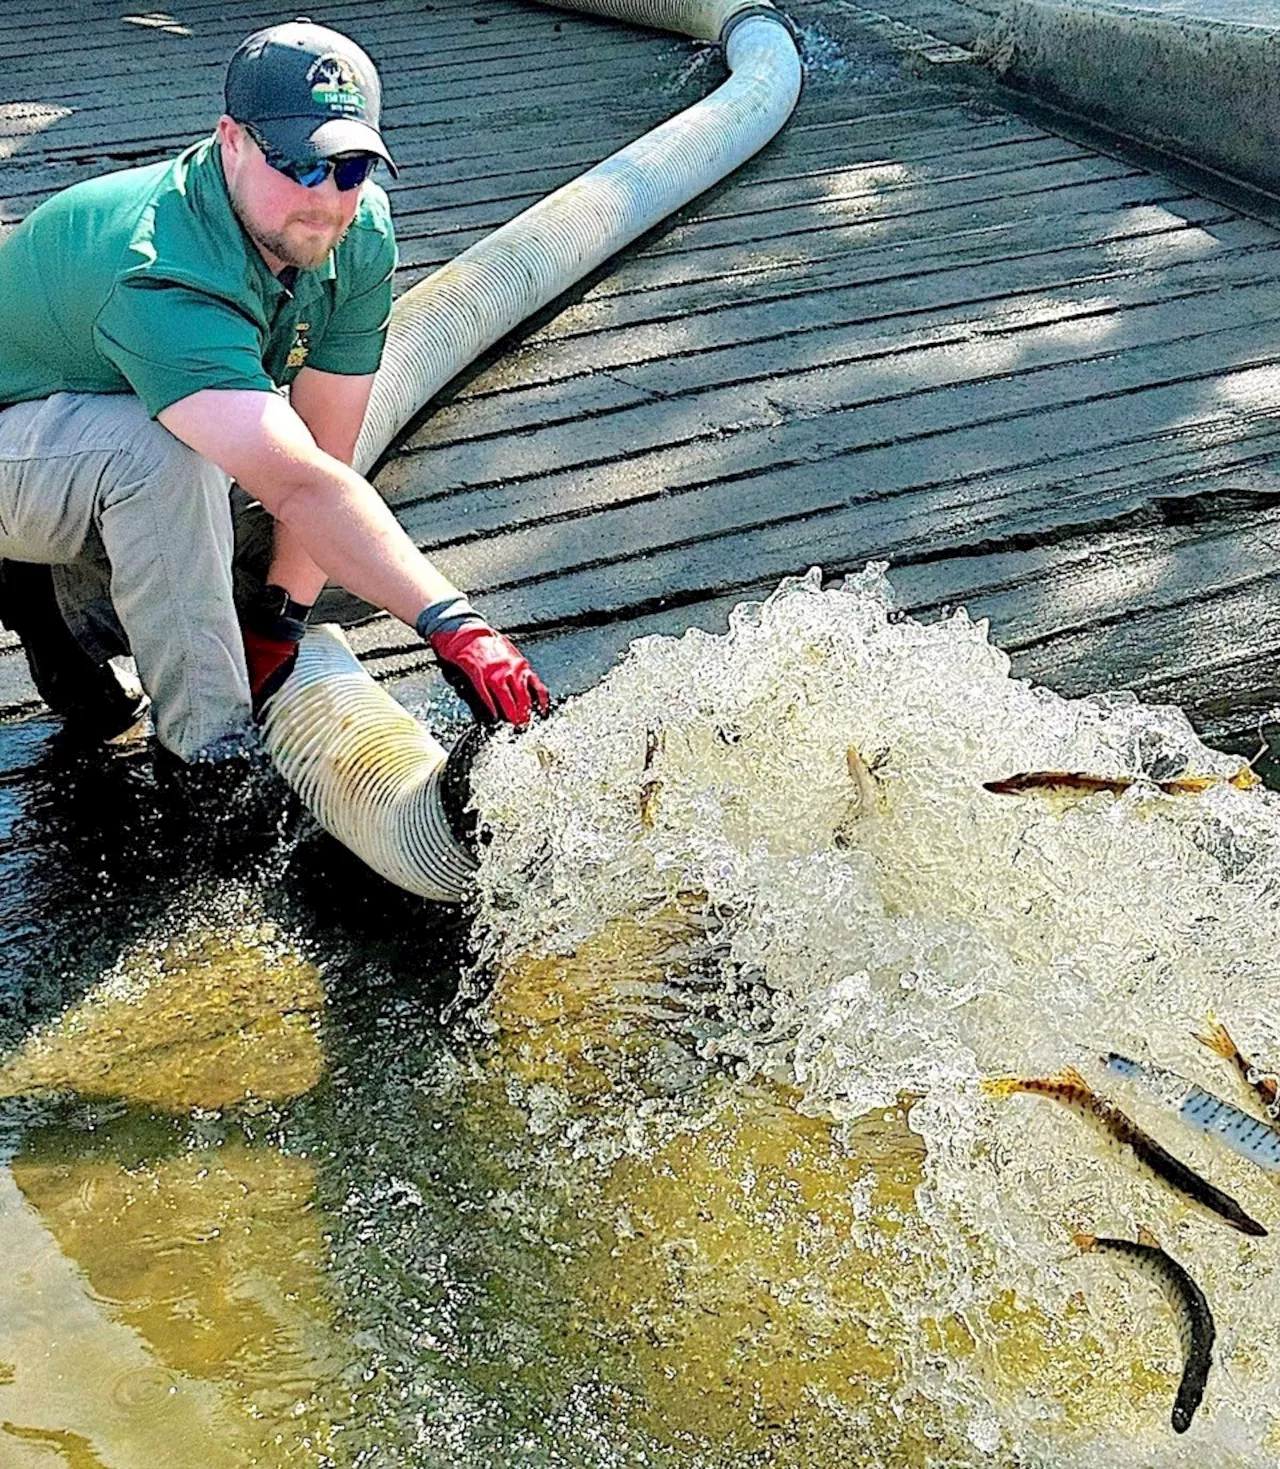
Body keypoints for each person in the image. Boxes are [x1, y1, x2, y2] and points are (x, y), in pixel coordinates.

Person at [0, 19, 548, 763]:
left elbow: (328, 456)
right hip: (20, 444)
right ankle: (210, 759)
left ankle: (60, 604)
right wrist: (452, 622)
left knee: (332, 563)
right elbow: (299, 485)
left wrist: (279, 623)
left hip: (104, 430)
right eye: (296, 162)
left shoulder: (354, 235)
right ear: (231, 140)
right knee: (162, 461)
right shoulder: (161, 266)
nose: (323, 198)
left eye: (349, 167)